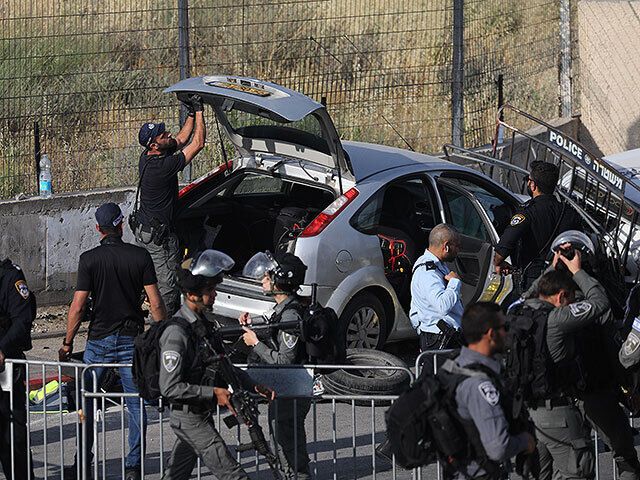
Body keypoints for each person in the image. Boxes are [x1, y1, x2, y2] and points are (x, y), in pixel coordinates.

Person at [60, 202, 167, 480]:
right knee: (135, 404)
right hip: (131, 341)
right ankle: (133, 467)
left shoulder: (89, 260)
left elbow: (78, 307)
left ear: (98, 229)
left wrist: (67, 342)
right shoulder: (140, 257)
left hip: (98, 342)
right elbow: (156, 304)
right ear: (121, 226)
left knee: (88, 402)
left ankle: (82, 460)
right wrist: (161, 336)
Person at [524, 232, 640, 480]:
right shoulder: (590, 305)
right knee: (625, 459)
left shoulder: (537, 309)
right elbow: (613, 344)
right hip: (595, 390)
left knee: (546, 471)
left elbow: (527, 298)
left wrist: (552, 269)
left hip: (551, 403)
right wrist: (627, 387)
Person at [159, 249, 275, 480]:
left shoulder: (203, 326)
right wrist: (214, 393)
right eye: (209, 290)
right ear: (192, 295)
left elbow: (223, 365)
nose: (214, 295)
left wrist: (253, 385)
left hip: (200, 415)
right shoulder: (177, 332)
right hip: (188, 417)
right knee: (233, 474)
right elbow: (169, 387)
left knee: (175, 476)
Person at [519, 256, 599, 480]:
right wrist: (578, 272)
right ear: (562, 296)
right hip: (558, 412)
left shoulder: (520, 313)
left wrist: (551, 268)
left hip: (529, 413)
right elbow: (599, 303)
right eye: (571, 298)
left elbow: (527, 295)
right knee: (577, 473)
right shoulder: (558, 318)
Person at [132, 93, 206, 316]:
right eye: (163, 135)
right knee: (168, 286)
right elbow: (198, 143)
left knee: (148, 280)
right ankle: (162, 329)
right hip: (157, 239)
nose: (169, 134)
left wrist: (191, 113)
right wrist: (201, 111)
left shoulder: (148, 156)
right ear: (154, 144)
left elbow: (181, 140)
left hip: (144, 230)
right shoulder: (163, 167)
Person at [239, 251, 312, 479]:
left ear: (281, 281)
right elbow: (276, 331)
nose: (263, 280)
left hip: (292, 388)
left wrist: (256, 343)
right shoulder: (284, 310)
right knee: (284, 439)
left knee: (287, 443)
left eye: (267, 276)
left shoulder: (290, 314)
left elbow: (284, 361)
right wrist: (254, 326)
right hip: (285, 389)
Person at [446, 302, 536, 479]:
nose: (508, 333)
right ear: (491, 334)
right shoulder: (479, 383)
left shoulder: (455, 366)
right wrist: (525, 442)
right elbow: (497, 447)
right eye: (504, 327)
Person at [494, 161, 582, 290]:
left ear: (533, 185)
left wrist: (498, 263)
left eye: (528, 180)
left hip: (534, 282)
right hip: (563, 280)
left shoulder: (527, 212)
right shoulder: (568, 212)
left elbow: (503, 247)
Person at [0, 258, 36, 480]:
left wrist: (2, 349)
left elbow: (22, 321)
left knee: (13, 435)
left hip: (6, 368)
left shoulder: (10, 277)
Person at [409, 223, 464, 353]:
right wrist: (454, 283)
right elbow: (442, 306)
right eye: (457, 246)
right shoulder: (428, 272)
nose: (458, 251)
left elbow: (416, 307)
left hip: (442, 337)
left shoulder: (438, 265)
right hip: (439, 340)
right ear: (446, 246)